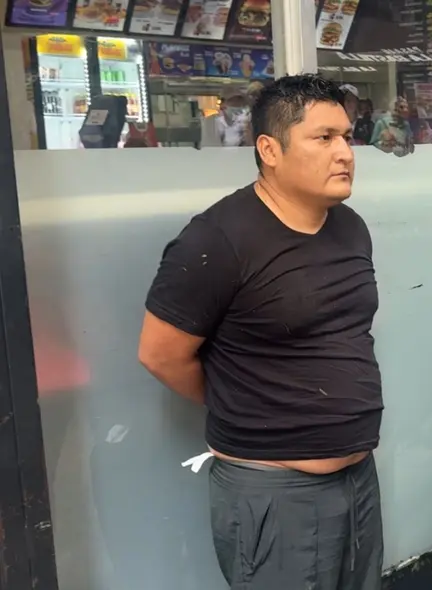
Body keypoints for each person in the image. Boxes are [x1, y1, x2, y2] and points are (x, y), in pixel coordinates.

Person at [138, 74, 383, 590]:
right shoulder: (216, 241)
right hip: (273, 492)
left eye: (346, 136)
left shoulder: (349, 226)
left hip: (358, 478)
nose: (345, 153)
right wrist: (244, 402)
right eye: (324, 138)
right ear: (270, 150)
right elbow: (161, 355)